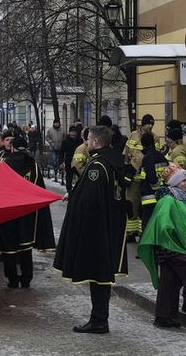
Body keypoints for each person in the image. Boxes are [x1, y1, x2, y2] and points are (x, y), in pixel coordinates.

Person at [54, 125, 132, 334]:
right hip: (108, 223)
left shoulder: (97, 165)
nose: (86, 143)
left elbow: (90, 199)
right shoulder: (112, 160)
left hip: (95, 227)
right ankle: (99, 318)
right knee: (102, 273)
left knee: (98, 274)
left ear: (96, 141)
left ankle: (99, 320)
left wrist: (77, 201)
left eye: (88, 140)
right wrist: (75, 193)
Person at [138, 169, 186, 328]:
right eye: (183, 181)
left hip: (170, 247)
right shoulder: (169, 200)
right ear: (174, 183)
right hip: (170, 246)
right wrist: (178, 239)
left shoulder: (178, 199)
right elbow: (164, 224)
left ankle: (164, 316)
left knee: (170, 280)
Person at [0, 133, 55, 288]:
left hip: (9, 212)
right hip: (27, 214)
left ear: (12, 147)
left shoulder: (4, 164)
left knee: (9, 248)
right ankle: (26, 279)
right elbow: (39, 188)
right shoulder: (33, 165)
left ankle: (12, 280)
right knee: (25, 247)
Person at [135, 132, 169, 238]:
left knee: (147, 224)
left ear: (143, 144)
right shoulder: (162, 157)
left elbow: (150, 177)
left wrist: (155, 188)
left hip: (149, 197)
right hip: (161, 197)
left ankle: (146, 251)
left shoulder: (147, 158)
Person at [60, 127, 83, 191]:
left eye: (74, 132)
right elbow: (62, 152)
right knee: (69, 177)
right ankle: (69, 191)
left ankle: (79, 189)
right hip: (69, 161)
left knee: (80, 176)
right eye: (72, 132)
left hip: (78, 161)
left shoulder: (80, 140)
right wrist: (61, 162)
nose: (73, 133)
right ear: (69, 132)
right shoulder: (65, 141)